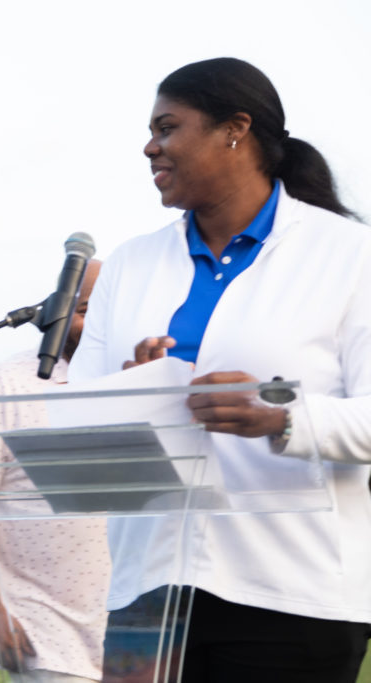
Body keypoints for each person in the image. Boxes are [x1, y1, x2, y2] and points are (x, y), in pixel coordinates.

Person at [68, 57, 371, 682]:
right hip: (145, 596)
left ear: (235, 129)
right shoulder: (128, 266)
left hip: (291, 596)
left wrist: (282, 418)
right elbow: (76, 433)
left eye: (167, 127)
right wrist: (135, 397)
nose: (150, 146)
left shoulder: (349, 257)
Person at [0, 260, 110, 683]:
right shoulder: (5, 384)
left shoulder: (139, 378)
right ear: (56, 309)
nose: (102, 321)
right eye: (88, 309)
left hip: (139, 633)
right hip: (45, 635)